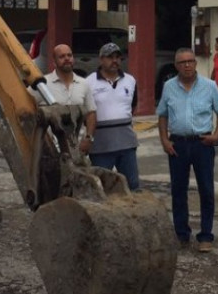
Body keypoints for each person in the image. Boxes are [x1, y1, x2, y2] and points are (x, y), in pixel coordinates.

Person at [156, 47, 218, 253]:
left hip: (202, 144)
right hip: (177, 144)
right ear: (176, 66)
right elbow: (162, 115)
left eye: (190, 61)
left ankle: (206, 236)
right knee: (178, 191)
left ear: (195, 63)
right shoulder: (169, 87)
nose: (187, 65)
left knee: (206, 190)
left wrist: (217, 135)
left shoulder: (210, 86)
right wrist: (164, 140)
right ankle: (181, 235)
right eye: (182, 62)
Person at [85, 42, 140, 191]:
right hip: (101, 145)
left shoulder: (130, 80)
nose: (114, 60)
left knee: (132, 185)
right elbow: (86, 112)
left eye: (117, 57)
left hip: (126, 143)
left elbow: (132, 106)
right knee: (102, 187)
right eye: (110, 57)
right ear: (101, 59)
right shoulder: (88, 83)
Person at [32, 44, 97, 148]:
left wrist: (89, 138)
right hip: (51, 149)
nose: (67, 59)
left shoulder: (84, 84)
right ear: (54, 62)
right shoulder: (42, 85)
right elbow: (26, 109)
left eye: (69, 55)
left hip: (78, 148)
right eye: (61, 56)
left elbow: (91, 113)